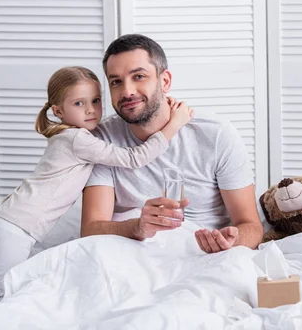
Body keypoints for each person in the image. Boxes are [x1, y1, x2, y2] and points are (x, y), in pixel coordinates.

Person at [0, 66, 193, 307]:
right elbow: (134, 159)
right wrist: (175, 124)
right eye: (79, 103)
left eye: (96, 100)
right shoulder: (77, 139)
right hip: (13, 228)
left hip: (12, 225)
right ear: (58, 111)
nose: (91, 110)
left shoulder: (76, 136)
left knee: (7, 295)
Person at [81, 34, 263, 253]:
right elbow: (91, 228)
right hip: (131, 257)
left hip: (203, 255)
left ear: (165, 81)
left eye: (139, 76)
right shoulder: (101, 140)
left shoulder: (215, 134)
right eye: (116, 82)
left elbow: (251, 225)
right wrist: (138, 227)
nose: (127, 91)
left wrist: (231, 242)